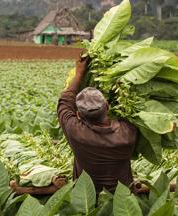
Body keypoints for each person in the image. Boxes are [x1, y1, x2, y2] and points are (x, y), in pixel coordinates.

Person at [57, 56, 138, 193]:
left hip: (86, 198)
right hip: (122, 199)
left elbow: (65, 101)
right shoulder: (128, 133)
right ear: (107, 106)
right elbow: (129, 111)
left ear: (78, 115)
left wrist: (79, 73)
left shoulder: (76, 132)